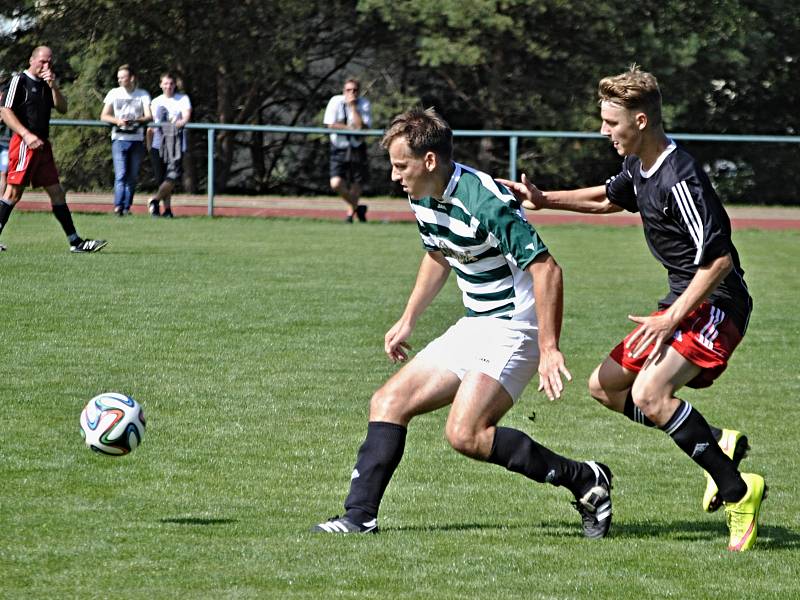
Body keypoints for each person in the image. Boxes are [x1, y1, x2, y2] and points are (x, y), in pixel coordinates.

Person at [498, 66, 765, 552]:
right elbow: (609, 198)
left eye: (611, 123)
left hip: (715, 304)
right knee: (605, 386)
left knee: (649, 393)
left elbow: (720, 259)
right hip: (683, 303)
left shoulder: (679, 176)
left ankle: (738, 491)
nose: (604, 131)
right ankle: (716, 441)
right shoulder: (639, 166)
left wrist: (670, 318)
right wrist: (542, 199)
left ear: (640, 121)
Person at [314, 108, 613, 538]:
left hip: (515, 326)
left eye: (402, 165)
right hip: (476, 323)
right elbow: (438, 255)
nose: (395, 176)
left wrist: (549, 347)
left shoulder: (484, 201)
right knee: (388, 402)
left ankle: (585, 480)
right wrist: (408, 319)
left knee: (466, 433)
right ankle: (359, 518)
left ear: (429, 161)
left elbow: (547, 269)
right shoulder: (422, 195)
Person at [0, 46, 106, 253]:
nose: (46, 65)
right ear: (32, 60)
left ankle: (76, 242)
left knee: (57, 192)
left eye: (49, 62)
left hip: (43, 145)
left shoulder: (47, 85)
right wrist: (26, 135)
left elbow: (63, 107)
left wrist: (54, 86)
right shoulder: (18, 81)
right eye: (42, 61)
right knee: (13, 193)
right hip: (24, 143)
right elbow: (5, 110)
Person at [100, 64, 151, 216]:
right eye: (118, 77)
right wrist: (118, 121)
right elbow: (104, 115)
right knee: (120, 175)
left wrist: (137, 119)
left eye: (123, 77)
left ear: (132, 78)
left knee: (133, 176)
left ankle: (127, 207)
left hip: (136, 139)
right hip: (119, 138)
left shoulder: (142, 94)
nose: (120, 80)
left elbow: (149, 116)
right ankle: (118, 207)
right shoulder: (113, 93)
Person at [323, 78, 371, 223]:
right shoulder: (335, 101)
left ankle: (350, 215)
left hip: (357, 147)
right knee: (336, 183)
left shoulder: (364, 104)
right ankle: (358, 208)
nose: (352, 93)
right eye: (349, 90)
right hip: (338, 147)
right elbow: (330, 124)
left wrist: (353, 108)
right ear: (343, 91)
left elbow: (362, 128)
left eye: (355, 90)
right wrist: (349, 128)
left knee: (357, 183)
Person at [146, 72, 191, 218]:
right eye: (165, 83)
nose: (168, 86)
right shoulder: (156, 101)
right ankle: (167, 210)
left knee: (172, 177)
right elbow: (152, 126)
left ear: (175, 85)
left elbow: (186, 116)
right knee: (162, 179)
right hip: (158, 144)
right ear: (161, 85)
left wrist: (181, 122)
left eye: (171, 83)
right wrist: (149, 145)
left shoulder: (182, 99)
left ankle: (154, 201)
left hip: (176, 145)